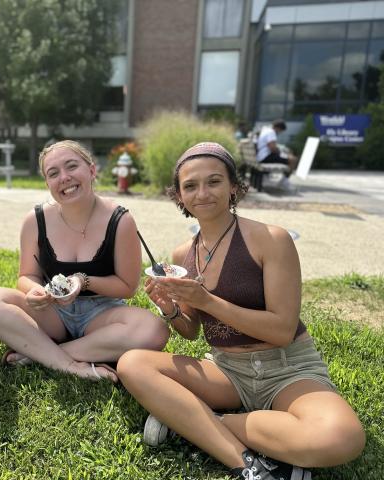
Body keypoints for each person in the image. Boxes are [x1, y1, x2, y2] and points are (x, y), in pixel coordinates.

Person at [117, 142, 365, 479]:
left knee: (341, 438)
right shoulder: (182, 255)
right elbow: (190, 331)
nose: (202, 193)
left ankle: (201, 423)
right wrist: (171, 309)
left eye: (214, 181)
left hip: (287, 368)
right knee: (133, 363)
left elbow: (280, 330)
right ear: (179, 196)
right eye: (190, 186)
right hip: (228, 371)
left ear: (234, 186)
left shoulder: (271, 240)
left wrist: (206, 300)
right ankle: (244, 463)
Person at [0, 140, 169, 382]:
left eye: (71, 166)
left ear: (92, 170)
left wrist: (83, 282)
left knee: (154, 330)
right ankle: (70, 364)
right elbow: (26, 276)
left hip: (101, 315)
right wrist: (36, 292)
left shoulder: (120, 220)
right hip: (52, 313)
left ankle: (41, 354)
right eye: (53, 173)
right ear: (47, 183)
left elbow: (127, 287)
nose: (64, 177)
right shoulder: (35, 220)